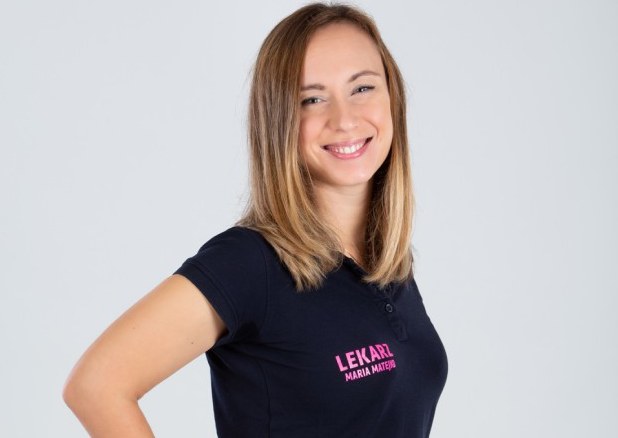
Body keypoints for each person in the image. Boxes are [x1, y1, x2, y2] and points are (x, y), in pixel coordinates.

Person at [63, 3, 448, 437]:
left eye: (362, 88)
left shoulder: (386, 263)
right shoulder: (250, 263)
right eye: (312, 99)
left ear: (392, 96)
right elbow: (96, 385)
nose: (344, 119)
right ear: (278, 119)